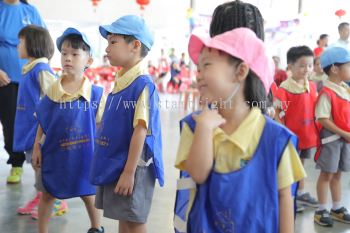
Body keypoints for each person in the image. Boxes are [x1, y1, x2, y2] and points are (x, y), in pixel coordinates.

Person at [174, 28, 305, 233]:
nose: (198, 75)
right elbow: (198, 174)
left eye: (206, 65)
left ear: (240, 71)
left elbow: (284, 197)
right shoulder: (196, 126)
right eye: (197, 68)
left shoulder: (276, 139)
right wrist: (204, 130)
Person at [90, 15, 164, 233]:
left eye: (113, 42)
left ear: (135, 45)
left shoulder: (142, 85)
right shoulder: (123, 80)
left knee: (134, 219)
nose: (107, 48)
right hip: (120, 161)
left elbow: (140, 131)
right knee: (124, 216)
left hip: (134, 166)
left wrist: (129, 172)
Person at [32, 28, 105, 233]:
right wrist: (37, 146)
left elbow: (101, 128)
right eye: (64, 53)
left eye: (75, 54)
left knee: (89, 194)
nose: (68, 58)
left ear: (88, 61)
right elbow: (42, 120)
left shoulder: (96, 94)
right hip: (55, 154)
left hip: (85, 156)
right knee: (47, 194)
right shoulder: (53, 89)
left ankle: (96, 228)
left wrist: (102, 154)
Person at [12, 25, 68, 219]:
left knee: (43, 165)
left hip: (39, 132)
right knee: (37, 166)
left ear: (33, 44)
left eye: (21, 42)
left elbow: (56, 96)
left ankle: (56, 200)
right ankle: (41, 196)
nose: (17, 45)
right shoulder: (30, 69)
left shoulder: (41, 70)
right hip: (28, 129)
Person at [0, 0, 46, 184]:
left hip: (30, 79)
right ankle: (16, 163)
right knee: (10, 122)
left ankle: (38, 166)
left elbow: (42, 41)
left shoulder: (30, 11)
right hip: (5, 80)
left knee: (34, 122)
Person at [275, 46, 319, 212]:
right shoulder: (284, 89)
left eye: (309, 65)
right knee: (289, 167)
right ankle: (289, 196)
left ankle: (299, 194)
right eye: (302, 65)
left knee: (301, 165)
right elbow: (278, 113)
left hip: (307, 136)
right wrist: (282, 134)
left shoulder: (312, 86)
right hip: (291, 138)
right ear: (290, 66)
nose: (306, 69)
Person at [314, 46, 350, 227]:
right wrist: (344, 133)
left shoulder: (344, 89)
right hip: (332, 140)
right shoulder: (327, 93)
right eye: (349, 65)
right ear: (335, 69)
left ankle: (336, 208)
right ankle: (321, 210)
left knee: (337, 174)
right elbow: (323, 119)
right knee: (327, 174)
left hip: (343, 139)